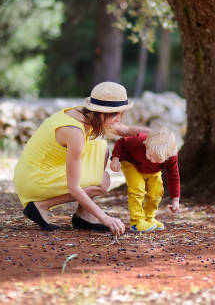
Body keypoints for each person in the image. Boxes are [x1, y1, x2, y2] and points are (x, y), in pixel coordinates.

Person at [13, 82, 147, 235]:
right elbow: (74, 188)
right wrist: (105, 218)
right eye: (116, 114)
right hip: (33, 178)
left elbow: (124, 130)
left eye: (120, 113)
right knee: (102, 181)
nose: (119, 119)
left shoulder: (84, 113)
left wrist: (156, 133)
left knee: (101, 151)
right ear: (101, 112)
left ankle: (84, 215)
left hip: (33, 169)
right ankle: (40, 205)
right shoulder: (74, 131)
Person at [110, 127, 180, 232]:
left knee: (157, 191)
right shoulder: (139, 141)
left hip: (152, 171)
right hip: (131, 163)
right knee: (137, 188)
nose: (151, 159)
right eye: (150, 154)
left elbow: (173, 175)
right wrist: (115, 159)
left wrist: (175, 199)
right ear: (146, 144)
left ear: (167, 157)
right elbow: (121, 142)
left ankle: (148, 218)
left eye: (157, 159)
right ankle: (137, 221)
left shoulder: (171, 157)